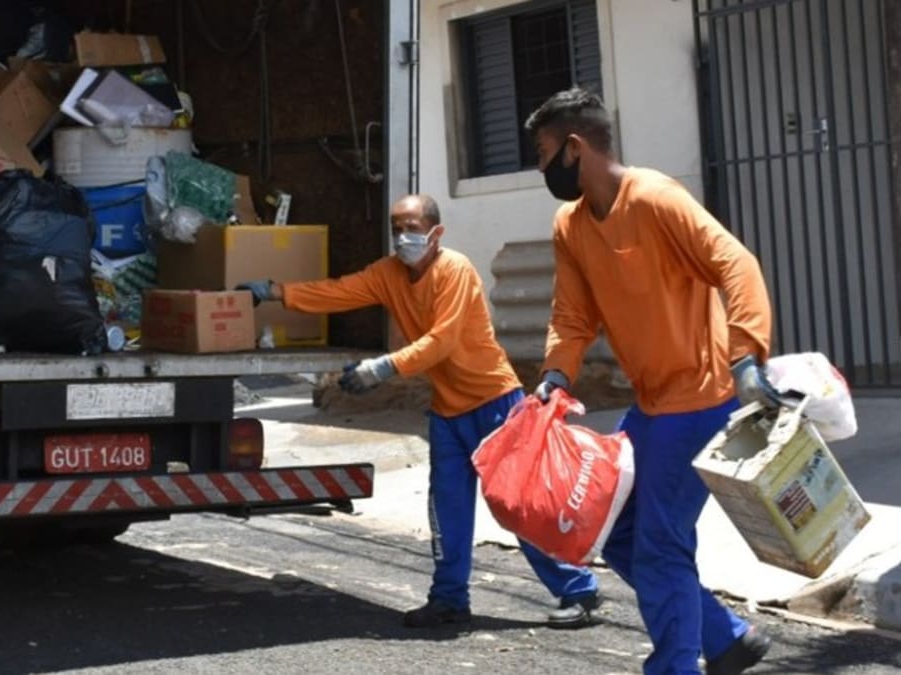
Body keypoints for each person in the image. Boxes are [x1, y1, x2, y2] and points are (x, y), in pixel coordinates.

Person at [235, 194, 601, 629]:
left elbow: (441, 340)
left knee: (517, 506)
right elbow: (339, 290)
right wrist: (276, 291)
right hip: (447, 411)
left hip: (495, 405)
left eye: (411, 228)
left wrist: (382, 368)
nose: (402, 238)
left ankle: (579, 590)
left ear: (436, 232)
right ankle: (449, 598)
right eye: (396, 229)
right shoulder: (389, 274)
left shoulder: (456, 270)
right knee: (446, 509)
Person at [524, 87, 779, 675]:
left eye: (542, 153)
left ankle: (675, 665)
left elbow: (735, 263)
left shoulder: (657, 197)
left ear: (574, 147)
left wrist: (746, 357)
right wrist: (555, 376)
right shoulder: (571, 224)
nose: (539, 167)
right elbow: (571, 314)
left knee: (661, 545)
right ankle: (726, 637)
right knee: (611, 528)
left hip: (702, 400)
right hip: (651, 405)